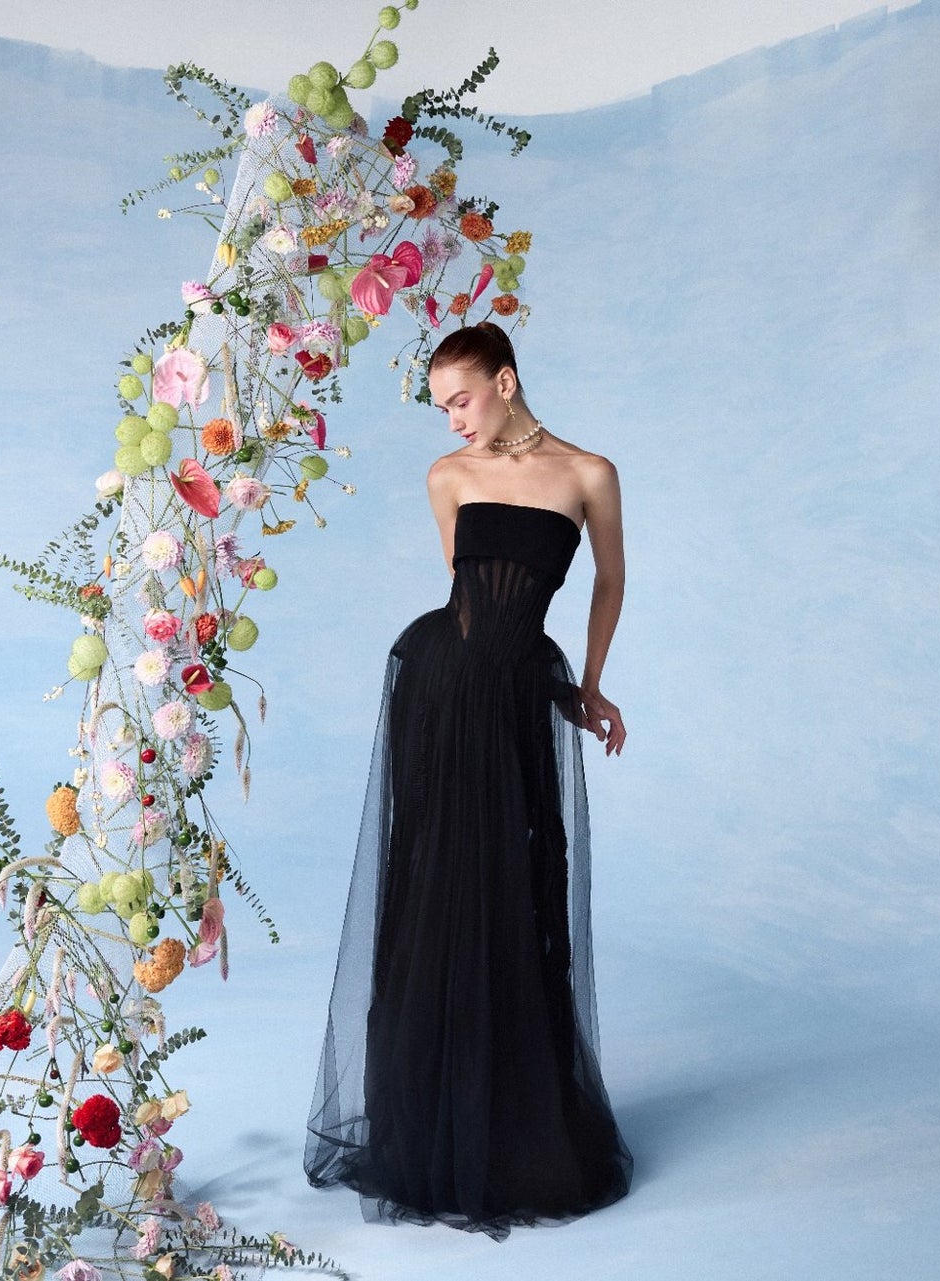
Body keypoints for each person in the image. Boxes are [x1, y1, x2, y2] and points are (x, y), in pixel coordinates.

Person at [302, 320, 635, 1239]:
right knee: (436, 893)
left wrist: (589, 685)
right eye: (442, 406)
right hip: (443, 692)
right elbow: (468, 596)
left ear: (506, 380)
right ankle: (430, 1124)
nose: (452, 420)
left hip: (519, 697)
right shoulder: (449, 476)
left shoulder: (589, 473)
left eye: (461, 399)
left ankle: (511, 1130)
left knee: (512, 893)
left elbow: (609, 581)